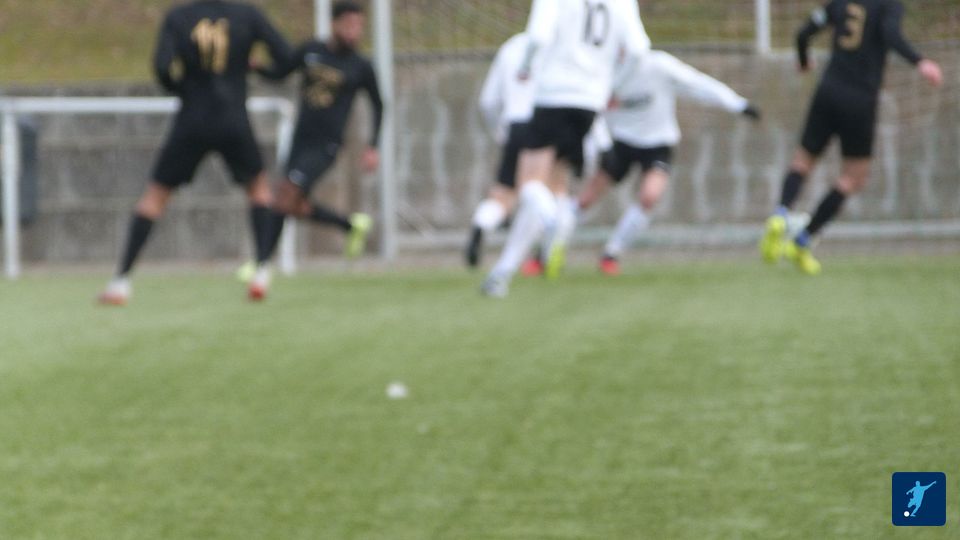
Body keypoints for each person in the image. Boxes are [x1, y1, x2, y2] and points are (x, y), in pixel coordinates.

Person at [98, 0, 291, 305]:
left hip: (192, 118)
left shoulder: (179, 16)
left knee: (155, 196)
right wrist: (259, 69)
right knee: (258, 190)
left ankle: (121, 281)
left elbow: (162, 67)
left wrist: (183, 89)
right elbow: (286, 59)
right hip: (233, 118)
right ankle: (262, 270)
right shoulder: (247, 15)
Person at [481, 0, 650, 297]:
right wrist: (614, 88)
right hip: (590, 104)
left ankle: (554, 222)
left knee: (529, 185)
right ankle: (502, 273)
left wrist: (525, 67)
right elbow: (638, 49)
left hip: (553, 95)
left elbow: (538, 35)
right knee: (555, 185)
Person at [759, 0, 943, 275]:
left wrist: (803, 60)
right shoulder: (888, 5)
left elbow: (803, 33)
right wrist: (920, 62)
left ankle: (780, 213)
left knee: (803, 161)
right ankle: (803, 239)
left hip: (827, 91)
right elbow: (891, 35)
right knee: (854, 177)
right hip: (860, 100)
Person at [574, 50, 761, 276]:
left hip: (657, 144)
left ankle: (611, 253)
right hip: (622, 142)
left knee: (649, 197)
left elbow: (697, 84)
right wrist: (596, 147)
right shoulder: (605, 71)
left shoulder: (659, 66)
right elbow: (590, 109)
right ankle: (547, 248)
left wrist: (737, 104)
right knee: (586, 199)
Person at [246, 0, 383, 299]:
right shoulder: (311, 50)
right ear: (334, 24)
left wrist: (373, 146)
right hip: (300, 140)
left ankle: (261, 268)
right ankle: (350, 225)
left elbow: (378, 104)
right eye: (349, 24)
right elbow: (281, 72)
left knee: (284, 194)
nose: (355, 31)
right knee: (294, 204)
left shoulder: (361, 66)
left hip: (326, 145)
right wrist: (258, 69)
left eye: (359, 26)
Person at [466, 33, 537, 269]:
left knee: (504, 192)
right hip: (545, 126)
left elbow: (488, 101)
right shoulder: (559, 44)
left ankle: (482, 223)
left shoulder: (511, 47)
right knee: (546, 188)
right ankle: (541, 253)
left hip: (513, 126)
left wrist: (500, 131)